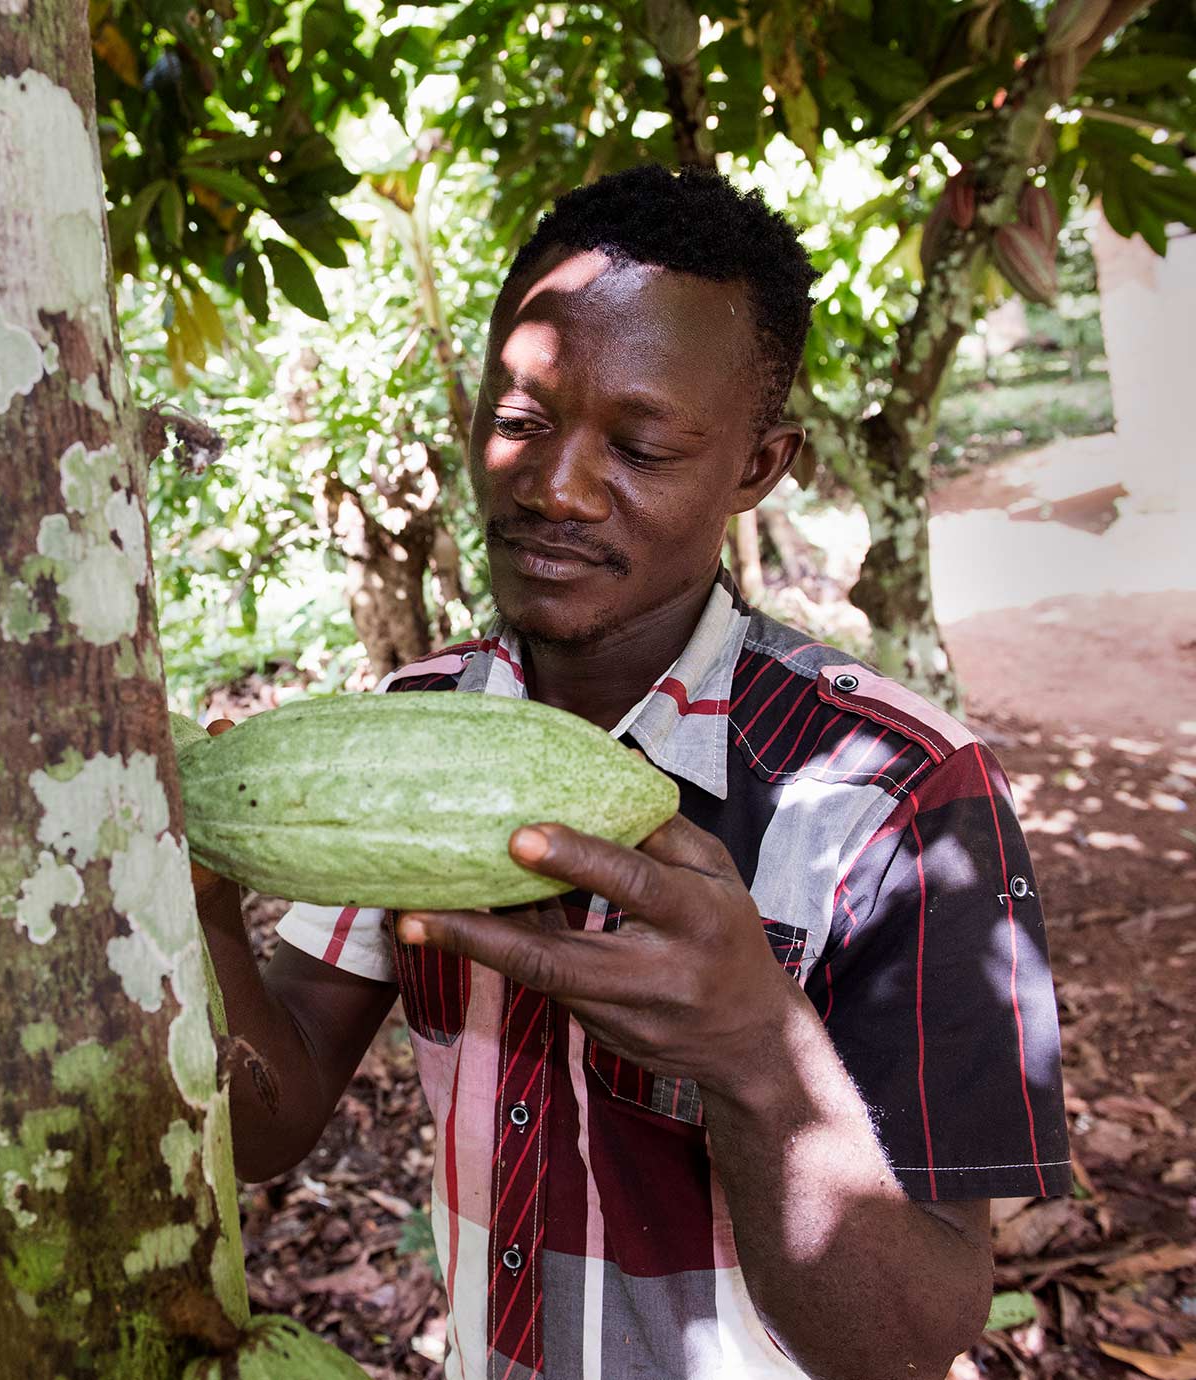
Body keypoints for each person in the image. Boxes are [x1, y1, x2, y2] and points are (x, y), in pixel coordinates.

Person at [192, 164, 1069, 1380]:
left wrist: (761, 1056)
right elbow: (268, 1119)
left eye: (642, 446)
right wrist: (192, 906)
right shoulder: (414, 729)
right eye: (522, 420)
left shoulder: (899, 796)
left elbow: (909, 1342)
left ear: (760, 468)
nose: (554, 488)